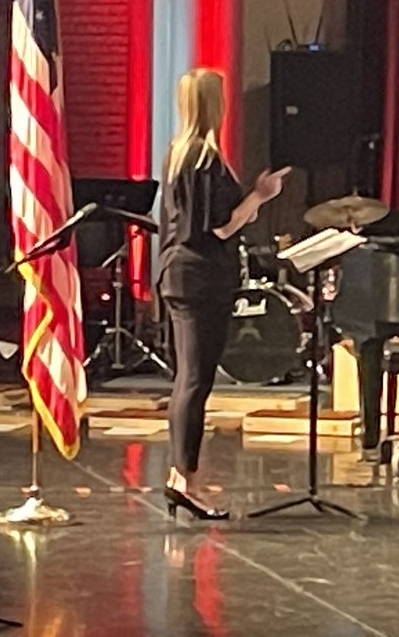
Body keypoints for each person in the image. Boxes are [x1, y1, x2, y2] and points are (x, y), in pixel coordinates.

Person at [159, 68, 289, 520]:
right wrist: (261, 194)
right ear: (216, 105)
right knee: (196, 381)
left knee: (187, 380)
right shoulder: (205, 159)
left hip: (178, 274)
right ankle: (185, 479)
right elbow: (223, 225)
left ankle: (182, 475)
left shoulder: (178, 154)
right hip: (200, 278)